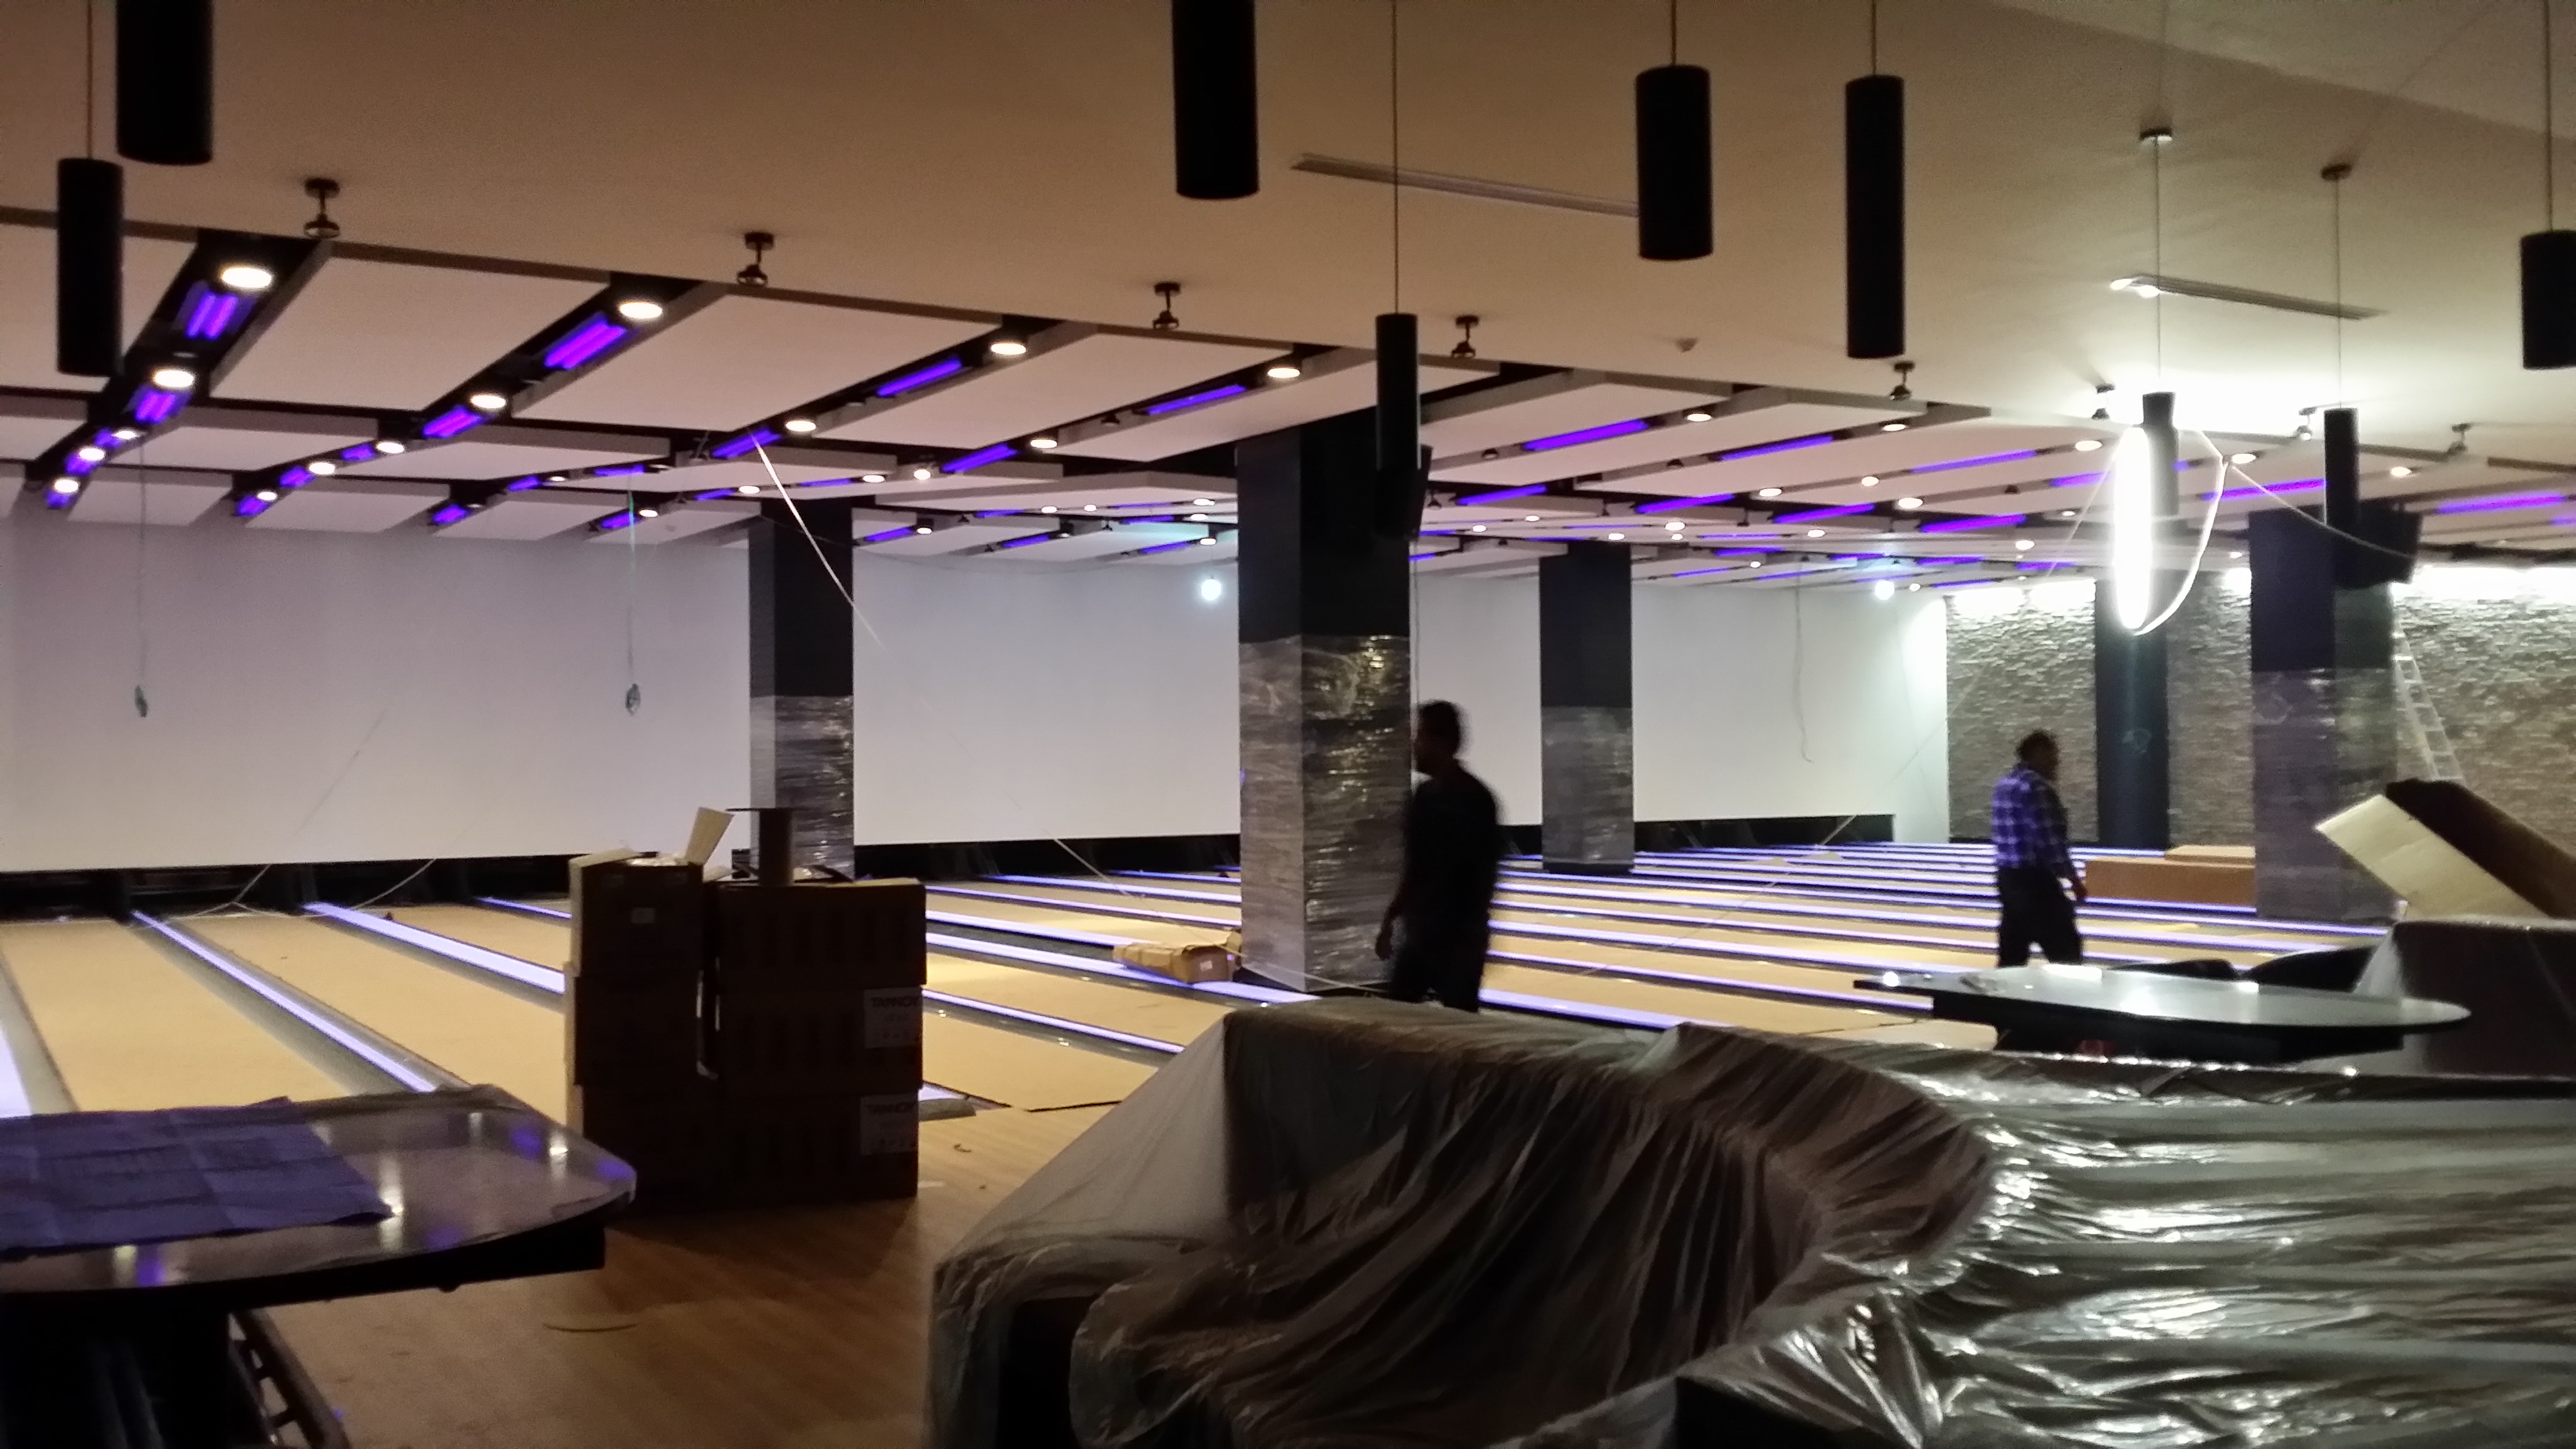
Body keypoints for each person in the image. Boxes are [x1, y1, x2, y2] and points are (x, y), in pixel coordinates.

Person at [1374, 700, 1503, 1011]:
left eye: (1419, 737)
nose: (1414, 746)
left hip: (1453, 937)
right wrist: (1392, 918)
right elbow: (1418, 868)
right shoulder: (1431, 797)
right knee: (1416, 1015)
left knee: (1417, 1017)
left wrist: (1397, 917)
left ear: (1442, 742)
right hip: (1434, 934)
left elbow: (1468, 874)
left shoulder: (1471, 800)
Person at [1991, 729, 2086, 965]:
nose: (2057, 761)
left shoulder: (2003, 785)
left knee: (2012, 958)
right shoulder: (2037, 788)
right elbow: (2049, 841)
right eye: (2053, 754)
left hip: (2007, 880)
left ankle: (2005, 991)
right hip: (2036, 884)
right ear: (2038, 753)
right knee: (2067, 954)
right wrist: (2074, 880)